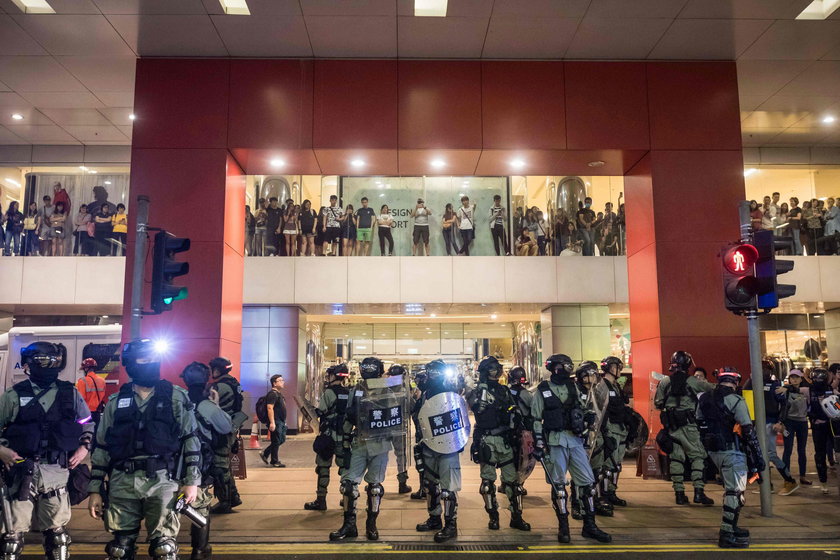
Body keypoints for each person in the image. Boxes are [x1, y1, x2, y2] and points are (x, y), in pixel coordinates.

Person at [88, 339, 200, 560]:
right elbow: (101, 447)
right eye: (144, 359)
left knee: (164, 548)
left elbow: (191, 440)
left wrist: (191, 482)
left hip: (162, 480)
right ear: (130, 364)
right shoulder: (116, 401)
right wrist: (94, 490)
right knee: (119, 549)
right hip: (121, 481)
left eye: (154, 359)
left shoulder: (176, 396)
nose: (150, 364)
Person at [0, 341, 93, 560]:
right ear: (27, 365)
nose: (47, 365)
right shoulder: (12, 395)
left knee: (57, 538)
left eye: (52, 361)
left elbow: (87, 422)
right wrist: (1, 451)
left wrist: (83, 447)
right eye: (42, 361)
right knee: (11, 540)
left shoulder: (69, 393)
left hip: (56, 472)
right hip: (20, 471)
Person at [531, 354, 611, 544]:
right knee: (559, 488)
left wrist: (588, 418)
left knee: (588, 486)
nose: (568, 368)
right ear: (554, 368)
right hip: (554, 441)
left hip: (575, 441)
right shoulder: (542, 390)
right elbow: (535, 419)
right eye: (564, 365)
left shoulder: (574, 387)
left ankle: (589, 527)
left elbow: (583, 408)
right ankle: (563, 528)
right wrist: (539, 444)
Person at [330, 357, 402, 541]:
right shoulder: (356, 390)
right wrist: (343, 442)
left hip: (380, 442)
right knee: (348, 485)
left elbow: (396, 417)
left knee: (375, 488)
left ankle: (371, 524)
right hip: (360, 442)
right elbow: (347, 416)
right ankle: (349, 525)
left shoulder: (388, 391)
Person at [697, 367, 763, 548]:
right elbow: (748, 431)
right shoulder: (736, 400)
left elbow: (699, 423)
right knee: (735, 492)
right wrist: (758, 457)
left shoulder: (704, 398)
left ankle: (732, 527)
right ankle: (726, 533)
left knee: (732, 490)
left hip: (713, 452)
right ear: (735, 382)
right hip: (732, 451)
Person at [468, 356, 531, 532]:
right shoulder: (478, 391)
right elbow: (478, 411)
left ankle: (516, 517)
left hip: (505, 439)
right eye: (493, 369)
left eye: (497, 369)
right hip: (487, 440)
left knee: (513, 483)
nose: (497, 372)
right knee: (487, 484)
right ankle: (493, 517)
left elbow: (515, 411)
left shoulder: (504, 390)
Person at [180, 362, 233, 560]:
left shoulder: (177, 401)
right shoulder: (206, 405)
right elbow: (226, 426)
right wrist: (216, 405)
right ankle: (200, 548)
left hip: (173, 463)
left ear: (185, 380)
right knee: (201, 506)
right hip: (200, 465)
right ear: (206, 380)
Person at [414, 359, 467, 543]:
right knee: (430, 485)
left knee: (448, 488)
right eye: (430, 372)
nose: (432, 376)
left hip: (448, 446)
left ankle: (450, 524)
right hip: (428, 444)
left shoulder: (451, 394)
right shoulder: (425, 394)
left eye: (434, 372)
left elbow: (460, 418)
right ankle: (434, 518)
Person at [654, 350, 715, 505]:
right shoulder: (692, 381)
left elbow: (658, 403)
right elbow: (710, 389)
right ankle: (699, 492)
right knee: (698, 456)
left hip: (671, 427)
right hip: (689, 426)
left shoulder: (665, 382)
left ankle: (679, 494)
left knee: (676, 458)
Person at [304, 364, 351, 511]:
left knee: (323, 467)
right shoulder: (349, 392)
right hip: (343, 437)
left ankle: (321, 500)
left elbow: (321, 411)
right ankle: (347, 499)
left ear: (333, 376)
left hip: (328, 437)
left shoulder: (328, 392)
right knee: (345, 469)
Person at [572, 361, 613, 517]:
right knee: (579, 474)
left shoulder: (596, 393)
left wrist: (607, 434)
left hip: (596, 437)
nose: (594, 378)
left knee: (596, 473)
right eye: (590, 375)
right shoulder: (574, 392)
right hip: (580, 437)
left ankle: (593, 501)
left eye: (595, 374)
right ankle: (577, 504)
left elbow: (602, 415)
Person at [208, 357, 246, 514]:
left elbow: (210, 407)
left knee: (220, 465)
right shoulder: (233, 382)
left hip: (220, 429)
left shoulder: (220, 386)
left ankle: (225, 500)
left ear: (217, 369)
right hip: (231, 427)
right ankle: (233, 496)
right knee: (225, 464)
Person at [752, 361, 796, 488]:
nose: (762, 371)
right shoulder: (754, 383)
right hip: (757, 424)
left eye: (765, 369)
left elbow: (785, 405)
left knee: (770, 454)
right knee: (760, 454)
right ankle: (767, 484)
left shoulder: (774, 385)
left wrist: (780, 422)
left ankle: (789, 480)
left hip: (770, 423)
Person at [598, 356, 631, 508]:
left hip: (620, 428)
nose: (620, 369)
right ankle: (603, 495)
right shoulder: (602, 385)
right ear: (611, 368)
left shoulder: (616, 386)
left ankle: (612, 492)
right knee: (607, 465)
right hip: (609, 428)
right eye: (618, 366)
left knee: (616, 464)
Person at [778, 369, 810, 494]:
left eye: (797, 377)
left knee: (802, 450)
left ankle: (803, 476)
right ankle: (787, 477)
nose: (794, 379)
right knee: (788, 449)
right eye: (792, 377)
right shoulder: (784, 391)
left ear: (801, 379)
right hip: (789, 422)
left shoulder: (805, 391)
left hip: (802, 422)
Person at [807, 368, 837, 494]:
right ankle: (823, 481)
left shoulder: (831, 390)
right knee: (820, 455)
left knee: (837, 452)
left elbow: (838, 406)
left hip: (832, 425)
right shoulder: (808, 391)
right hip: (817, 426)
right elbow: (794, 390)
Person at [507, 366, 535, 496]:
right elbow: (535, 410)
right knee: (524, 459)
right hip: (524, 432)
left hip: (509, 430)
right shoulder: (526, 394)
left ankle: (507, 483)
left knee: (510, 459)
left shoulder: (505, 392)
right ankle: (519, 484)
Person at [385, 364, 412, 494]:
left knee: (380, 454)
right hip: (399, 425)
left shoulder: (383, 387)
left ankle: (375, 482)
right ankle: (402, 483)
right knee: (401, 454)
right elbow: (410, 405)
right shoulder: (404, 389)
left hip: (383, 425)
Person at [261, 374, 287, 468]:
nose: (282, 382)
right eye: (280, 380)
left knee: (281, 439)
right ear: (274, 383)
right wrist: (272, 422)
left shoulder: (278, 394)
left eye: (282, 380)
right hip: (275, 421)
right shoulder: (272, 394)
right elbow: (269, 408)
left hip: (280, 421)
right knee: (276, 441)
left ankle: (265, 453)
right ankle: (274, 461)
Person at [76, 357, 106, 426]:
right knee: (95, 433)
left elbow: (81, 400)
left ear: (86, 369)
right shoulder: (102, 380)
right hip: (97, 413)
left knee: (86, 433)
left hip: (86, 414)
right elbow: (103, 396)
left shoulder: (82, 381)